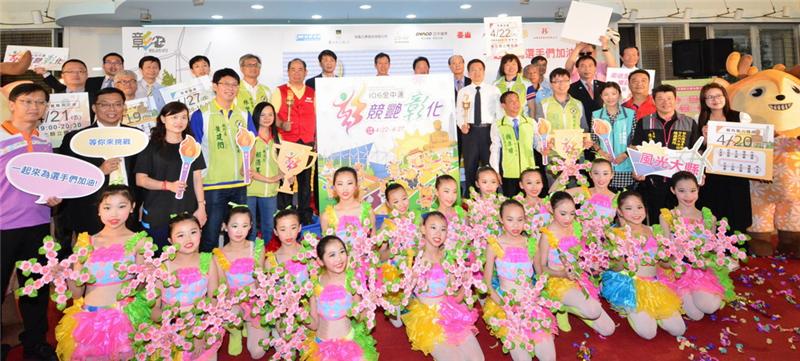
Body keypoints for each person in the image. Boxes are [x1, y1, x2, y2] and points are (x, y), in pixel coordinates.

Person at [55, 185, 150, 361]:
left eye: (121, 206)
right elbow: (77, 294)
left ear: (132, 207)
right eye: (107, 207)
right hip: (90, 321)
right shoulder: (86, 242)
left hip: (125, 320)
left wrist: (147, 273)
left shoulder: (139, 241)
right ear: (98, 210)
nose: (114, 214)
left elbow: (141, 287)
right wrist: (65, 276)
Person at [0, 83, 60, 361]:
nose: (34, 107)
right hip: (3, 226)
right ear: (12, 104)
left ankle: (35, 343)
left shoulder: (44, 143)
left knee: (35, 289)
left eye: (40, 102)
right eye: (27, 101)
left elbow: (47, 183)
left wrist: (55, 197)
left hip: (37, 225)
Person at [601, 190, 685, 339]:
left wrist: (673, 259)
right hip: (629, 286)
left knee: (679, 329)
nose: (636, 212)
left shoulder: (653, 231)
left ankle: (653, 313)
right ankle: (636, 313)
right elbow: (612, 266)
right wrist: (624, 257)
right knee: (648, 333)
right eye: (629, 208)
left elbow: (662, 263)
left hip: (654, 284)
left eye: (639, 207)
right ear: (620, 212)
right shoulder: (614, 234)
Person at [401, 211, 484, 361]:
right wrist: (409, 282)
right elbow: (403, 302)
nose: (438, 233)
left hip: (452, 314)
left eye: (443, 229)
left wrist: (466, 283)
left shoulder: (448, 259)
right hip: (429, 322)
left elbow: (457, 298)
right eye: (433, 227)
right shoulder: (413, 260)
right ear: (423, 229)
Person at [190, 68, 256, 252]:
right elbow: (193, 151)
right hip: (212, 186)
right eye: (225, 84)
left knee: (239, 235)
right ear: (214, 86)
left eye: (234, 84)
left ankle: (236, 274)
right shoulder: (201, 115)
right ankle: (206, 275)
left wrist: (247, 165)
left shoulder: (243, 114)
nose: (230, 88)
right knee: (210, 236)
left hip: (239, 185)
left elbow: (253, 143)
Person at [59, 87, 141, 237]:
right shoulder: (76, 139)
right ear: (94, 108)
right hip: (90, 209)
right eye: (104, 104)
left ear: (124, 107)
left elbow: (142, 173)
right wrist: (99, 171)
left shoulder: (137, 136)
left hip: (129, 209)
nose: (112, 109)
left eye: (117, 104)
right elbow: (66, 175)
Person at [483, 199, 557, 361]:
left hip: (530, 303)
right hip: (505, 304)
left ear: (525, 220)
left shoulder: (531, 242)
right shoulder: (494, 244)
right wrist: (506, 306)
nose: (515, 225)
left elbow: (539, 274)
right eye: (510, 220)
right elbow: (487, 283)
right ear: (501, 219)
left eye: (520, 220)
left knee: (548, 358)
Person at [535, 192, 615, 336]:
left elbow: (582, 255)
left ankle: (576, 306)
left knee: (609, 329)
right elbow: (541, 269)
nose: (568, 218)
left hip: (578, 278)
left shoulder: (576, 227)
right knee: (593, 310)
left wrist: (591, 266)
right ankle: (562, 307)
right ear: (552, 210)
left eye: (572, 213)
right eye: (563, 213)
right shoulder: (546, 235)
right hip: (557, 281)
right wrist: (561, 274)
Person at [135, 101, 207, 248]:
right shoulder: (151, 147)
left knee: (186, 257)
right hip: (158, 212)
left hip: (187, 211)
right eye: (174, 117)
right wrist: (167, 185)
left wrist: (201, 207)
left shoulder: (192, 146)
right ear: (163, 119)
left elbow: (197, 180)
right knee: (157, 257)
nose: (179, 121)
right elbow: (140, 180)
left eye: (183, 117)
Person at [659, 172, 726, 321]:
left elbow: (711, 249)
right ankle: (684, 295)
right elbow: (664, 248)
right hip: (677, 271)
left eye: (692, 190)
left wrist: (705, 257)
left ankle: (701, 295)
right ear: (673, 190)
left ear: (698, 190)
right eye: (682, 191)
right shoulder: (667, 216)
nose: (688, 196)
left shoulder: (709, 218)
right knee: (696, 315)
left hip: (700, 271)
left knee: (709, 307)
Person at [152, 213, 220, 359]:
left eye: (193, 232)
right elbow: (155, 309)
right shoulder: (162, 266)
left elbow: (213, 299)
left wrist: (200, 331)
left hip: (201, 322)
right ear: (170, 240)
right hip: (169, 326)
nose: (188, 239)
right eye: (180, 235)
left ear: (201, 232)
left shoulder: (207, 260)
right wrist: (168, 328)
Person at [631, 84, 700, 223]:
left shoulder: (688, 123)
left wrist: (699, 174)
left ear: (675, 100)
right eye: (660, 99)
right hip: (653, 182)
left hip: (681, 184)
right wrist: (636, 169)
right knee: (657, 220)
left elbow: (696, 153)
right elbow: (636, 148)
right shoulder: (644, 122)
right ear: (654, 101)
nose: (665, 102)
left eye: (669, 98)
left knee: (680, 221)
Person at [305, 235, 379, 361]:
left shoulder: (352, 281)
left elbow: (360, 317)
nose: (339, 259)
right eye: (332, 255)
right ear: (320, 261)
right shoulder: (314, 284)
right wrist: (299, 314)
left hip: (349, 346)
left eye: (342, 252)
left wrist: (369, 304)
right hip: (322, 348)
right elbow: (314, 325)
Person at [212, 204, 267, 358]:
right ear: (225, 226)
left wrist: (256, 305)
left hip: (254, 299)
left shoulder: (256, 248)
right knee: (226, 313)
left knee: (257, 352)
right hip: (233, 300)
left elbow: (260, 280)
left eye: (244, 226)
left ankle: (249, 324)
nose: (239, 231)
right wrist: (234, 301)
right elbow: (223, 285)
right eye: (234, 226)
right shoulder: (218, 254)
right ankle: (235, 332)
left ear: (250, 227)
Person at [696, 82, 752, 234]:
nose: (715, 100)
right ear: (704, 101)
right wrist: (706, 138)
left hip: (736, 172)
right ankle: (714, 246)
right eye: (710, 97)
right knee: (713, 207)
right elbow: (698, 150)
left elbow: (750, 144)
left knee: (737, 208)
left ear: (725, 97)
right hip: (711, 173)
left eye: (719, 96)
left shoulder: (741, 117)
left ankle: (738, 245)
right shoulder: (698, 119)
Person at [271, 58, 316, 225]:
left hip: (306, 143)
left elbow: (318, 117)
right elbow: (271, 115)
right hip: (287, 143)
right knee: (286, 181)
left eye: (300, 70)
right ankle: (284, 215)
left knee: (305, 183)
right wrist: (282, 124)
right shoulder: (279, 91)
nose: (296, 73)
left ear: (306, 72)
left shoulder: (312, 93)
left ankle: (304, 216)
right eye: (293, 69)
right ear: (288, 72)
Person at [456, 59, 502, 197]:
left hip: (489, 131)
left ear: (484, 71)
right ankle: (471, 198)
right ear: (468, 73)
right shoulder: (463, 91)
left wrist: (497, 131)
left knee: (491, 166)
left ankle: (493, 197)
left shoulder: (494, 90)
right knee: (470, 166)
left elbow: (499, 113)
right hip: (469, 132)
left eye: (479, 69)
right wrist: (461, 125)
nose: (476, 73)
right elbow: (458, 112)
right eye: (473, 70)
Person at [490, 91, 541, 197]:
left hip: (529, 173)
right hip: (509, 173)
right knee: (512, 205)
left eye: (517, 100)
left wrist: (543, 149)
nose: (515, 103)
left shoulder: (531, 122)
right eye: (511, 101)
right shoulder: (498, 125)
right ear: (503, 105)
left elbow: (537, 144)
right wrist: (495, 171)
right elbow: (495, 150)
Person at [591, 82, 636, 191]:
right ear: (601, 96)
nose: (610, 97)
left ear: (619, 95)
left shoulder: (630, 114)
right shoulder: (596, 115)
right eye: (606, 94)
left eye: (613, 93)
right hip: (603, 169)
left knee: (624, 201)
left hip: (625, 166)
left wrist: (625, 155)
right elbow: (593, 139)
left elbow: (636, 140)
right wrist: (601, 152)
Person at [246, 102, 281, 240]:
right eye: (263, 115)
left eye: (270, 114)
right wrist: (271, 179)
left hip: (270, 191)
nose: (267, 118)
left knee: (269, 227)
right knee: (250, 228)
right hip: (250, 190)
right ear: (256, 116)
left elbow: (282, 165)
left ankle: (269, 258)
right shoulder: (249, 139)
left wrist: (287, 174)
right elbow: (246, 170)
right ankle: (250, 259)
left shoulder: (278, 139)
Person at [319, 167, 375, 244]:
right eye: (340, 184)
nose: (345, 188)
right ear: (334, 187)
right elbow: (326, 247)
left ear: (356, 186)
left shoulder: (368, 211)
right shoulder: (326, 216)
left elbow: (373, 242)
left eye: (349, 183)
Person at [568, 56, 606, 135]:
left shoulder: (604, 86)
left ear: (595, 68)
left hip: (604, 130)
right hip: (582, 132)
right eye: (583, 66)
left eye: (590, 66)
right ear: (577, 69)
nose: (587, 69)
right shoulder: (571, 89)